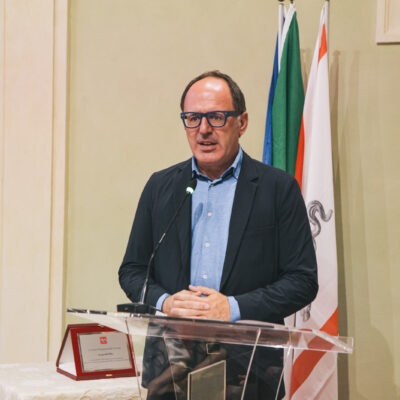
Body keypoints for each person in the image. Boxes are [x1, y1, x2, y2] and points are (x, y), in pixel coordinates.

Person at [119, 70, 318, 399]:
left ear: (242, 122)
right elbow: (132, 270)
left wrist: (233, 308)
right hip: (169, 370)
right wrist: (165, 302)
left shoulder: (278, 189)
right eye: (193, 118)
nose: (203, 129)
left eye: (216, 117)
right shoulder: (160, 187)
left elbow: (302, 280)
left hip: (249, 371)